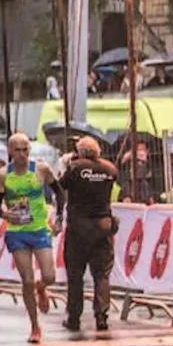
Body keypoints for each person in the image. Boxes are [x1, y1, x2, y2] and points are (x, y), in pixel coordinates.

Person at [0, 133, 59, 344]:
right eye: (17, 150)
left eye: (25, 149)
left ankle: (42, 288)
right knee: (27, 280)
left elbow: (60, 193)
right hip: (17, 231)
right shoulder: (3, 175)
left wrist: (59, 217)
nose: (21, 154)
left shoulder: (41, 169)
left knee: (49, 276)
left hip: (39, 228)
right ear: (10, 151)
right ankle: (35, 326)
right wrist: (5, 214)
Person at [57, 137, 120, 333]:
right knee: (102, 274)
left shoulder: (75, 167)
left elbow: (61, 184)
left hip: (79, 226)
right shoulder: (110, 169)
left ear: (80, 151)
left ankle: (74, 317)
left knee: (75, 273)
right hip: (103, 225)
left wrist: (69, 163)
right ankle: (101, 316)